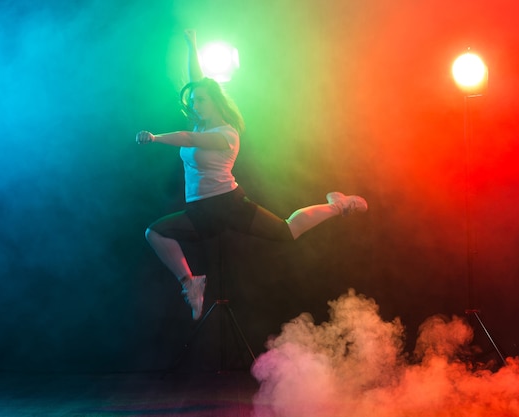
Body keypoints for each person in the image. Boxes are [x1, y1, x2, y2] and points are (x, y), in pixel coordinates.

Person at [136, 30, 367, 320]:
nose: (195, 105)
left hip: (228, 205)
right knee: (155, 233)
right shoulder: (200, 123)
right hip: (200, 210)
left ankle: (337, 204)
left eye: (201, 101)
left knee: (287, 231)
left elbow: (189, 140)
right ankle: (190, 283)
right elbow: (198, 81)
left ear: (216, 102)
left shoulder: (226, 134)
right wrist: (191, 45)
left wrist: (155, 138)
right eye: (193, 101)